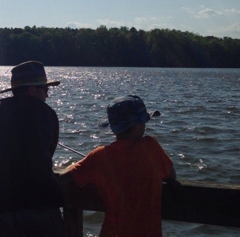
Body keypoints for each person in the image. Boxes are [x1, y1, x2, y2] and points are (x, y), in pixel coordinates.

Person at [59, 95, 176, 237]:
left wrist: (79, 164)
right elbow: (171, 174)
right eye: (143, 121)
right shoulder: (151, 146)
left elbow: (64, 178)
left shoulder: (99, 156)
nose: (145, 125)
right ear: (135, 127)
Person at [0, 61, 65, 237]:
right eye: (45, 89)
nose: (47, 95)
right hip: (42, 206)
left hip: (0, 207)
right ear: (32, 90)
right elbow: (48, 154)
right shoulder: (47, 113)